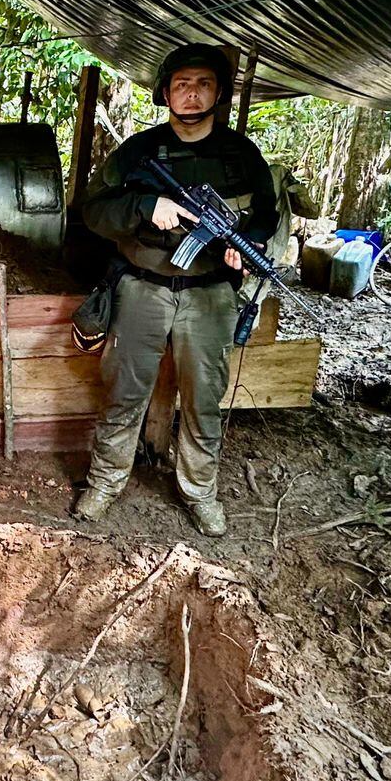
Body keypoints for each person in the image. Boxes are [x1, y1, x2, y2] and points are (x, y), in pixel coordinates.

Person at [73, 44, 278, 535]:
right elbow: (93, 212)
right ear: (166, 92)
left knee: (205, 398)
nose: (191, 94)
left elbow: (265, 215)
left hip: (210, 294)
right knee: (125, 390)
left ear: (219, 93)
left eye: (203, 83)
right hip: (143, 288)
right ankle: (104, 483)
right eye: (182, 84)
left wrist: (245, 245)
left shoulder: (242, 156)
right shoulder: (138, 154)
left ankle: (199, 491)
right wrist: (146, 206)